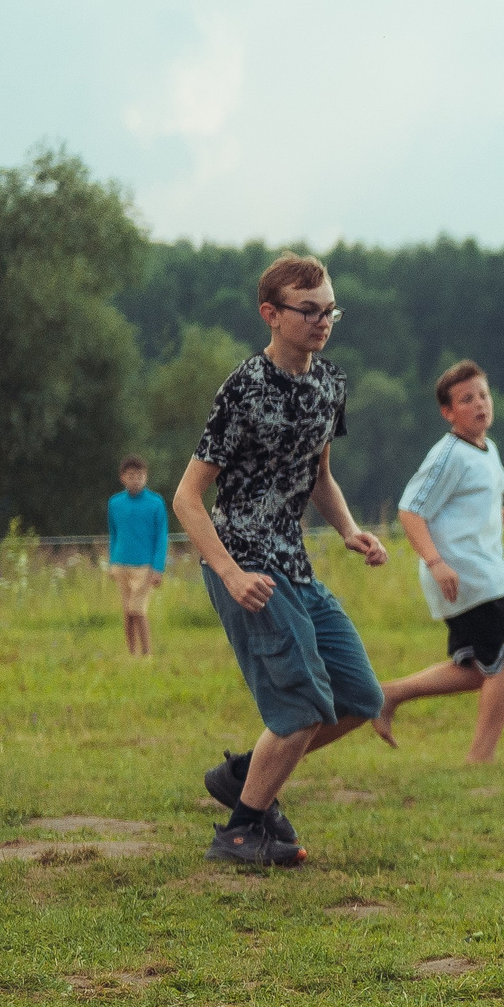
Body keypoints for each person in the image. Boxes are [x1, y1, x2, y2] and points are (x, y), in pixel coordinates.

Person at [169, 253, 389, 868]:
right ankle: (241, 831)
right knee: (301, 706)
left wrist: (349, 530)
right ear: (271, 314)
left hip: (296, 566)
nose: (322, 322)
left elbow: (318, 475)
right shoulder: (244, 387)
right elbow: (186, 497)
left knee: (359, 696)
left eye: (330, 311)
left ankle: (246, 776)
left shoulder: (330, 384)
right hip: (245, 565)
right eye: (309, 311)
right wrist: (229, 573)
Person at [371, 361, 504, 763]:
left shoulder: (486, 448)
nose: (480, 404)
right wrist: (435, 562)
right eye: (467, 399)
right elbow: (410, 511)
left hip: (480, 569)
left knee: (480, 668)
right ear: (447, 412)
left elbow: (471, 505)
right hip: (464, 572)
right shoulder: (447, 455)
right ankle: (480, 760)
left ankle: (389, 695)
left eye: (483, 395)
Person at [105, 456, 169, 656]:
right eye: (131, 476)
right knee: (127, 611)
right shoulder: (115, 503)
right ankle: (131, 652)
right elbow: (114, 534)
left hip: (145, 566)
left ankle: (147, 653)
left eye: (140, 476)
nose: (136, 480)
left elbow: (161, 537)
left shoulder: (156, 503)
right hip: (121, 564)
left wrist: (158, 568)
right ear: (123, 477)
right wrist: (111, 563)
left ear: (146, 477)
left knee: (138, 609)